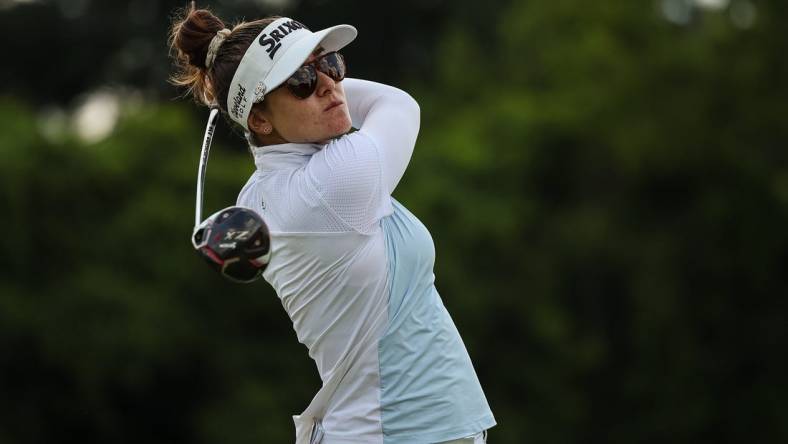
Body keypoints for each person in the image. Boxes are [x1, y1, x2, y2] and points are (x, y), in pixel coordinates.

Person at [169, 5, 496, 444]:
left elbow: (340, 104)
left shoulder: (262, 191)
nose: (329, 86)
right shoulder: (333, 184)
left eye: (330, 63)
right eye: (302, 82)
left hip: (400, 429)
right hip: (394, 433)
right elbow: (398, 103)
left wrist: (269, 91)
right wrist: (242, 98)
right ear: (261, 120)